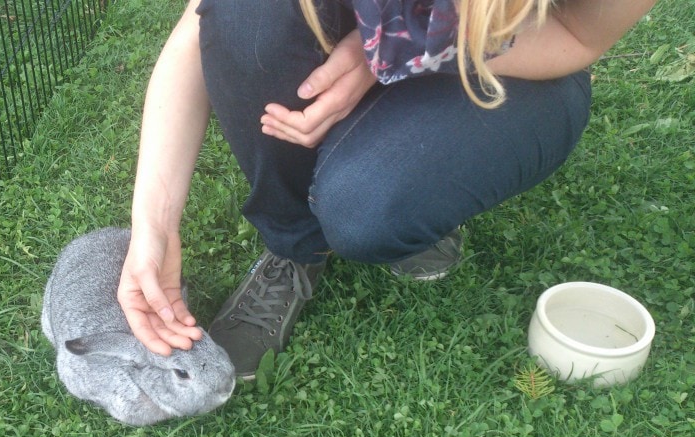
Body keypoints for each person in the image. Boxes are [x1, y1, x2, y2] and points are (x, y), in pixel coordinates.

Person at [116, 0, 658, 379]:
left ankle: (410, 184)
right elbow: (205, 21)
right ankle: (294, 244)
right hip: (354, 23)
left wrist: (386, 55)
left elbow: (577, 33)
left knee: (368, 207)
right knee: (250, 15)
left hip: (512, 46)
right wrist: (155, 224)